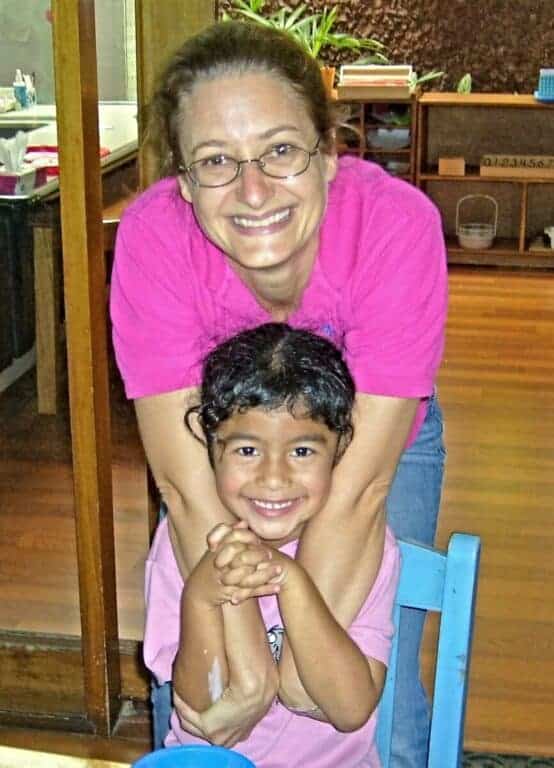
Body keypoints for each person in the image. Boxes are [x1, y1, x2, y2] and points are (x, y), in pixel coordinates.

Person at [110, 20, 447, 768]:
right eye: (217, 162)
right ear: (185, 182)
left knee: (373, 690)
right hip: (221, 438)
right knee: (203, 695)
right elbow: (186, 486)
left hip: (369, 435)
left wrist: (295, 666)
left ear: (329, 153)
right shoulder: (153, 239)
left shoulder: (395, 227)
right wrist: (248, 669)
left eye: (282, 151)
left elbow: (360, 492)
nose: (253, 189)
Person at [144, 323, 401, 768]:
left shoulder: (366, 547)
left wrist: (292, 579)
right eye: (247, 451)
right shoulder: (178, 542)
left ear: (339, 452)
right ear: (211, 452)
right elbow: (203, 713)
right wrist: (203, 594)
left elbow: (351, 708)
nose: (274, 478)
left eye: (302, 452)